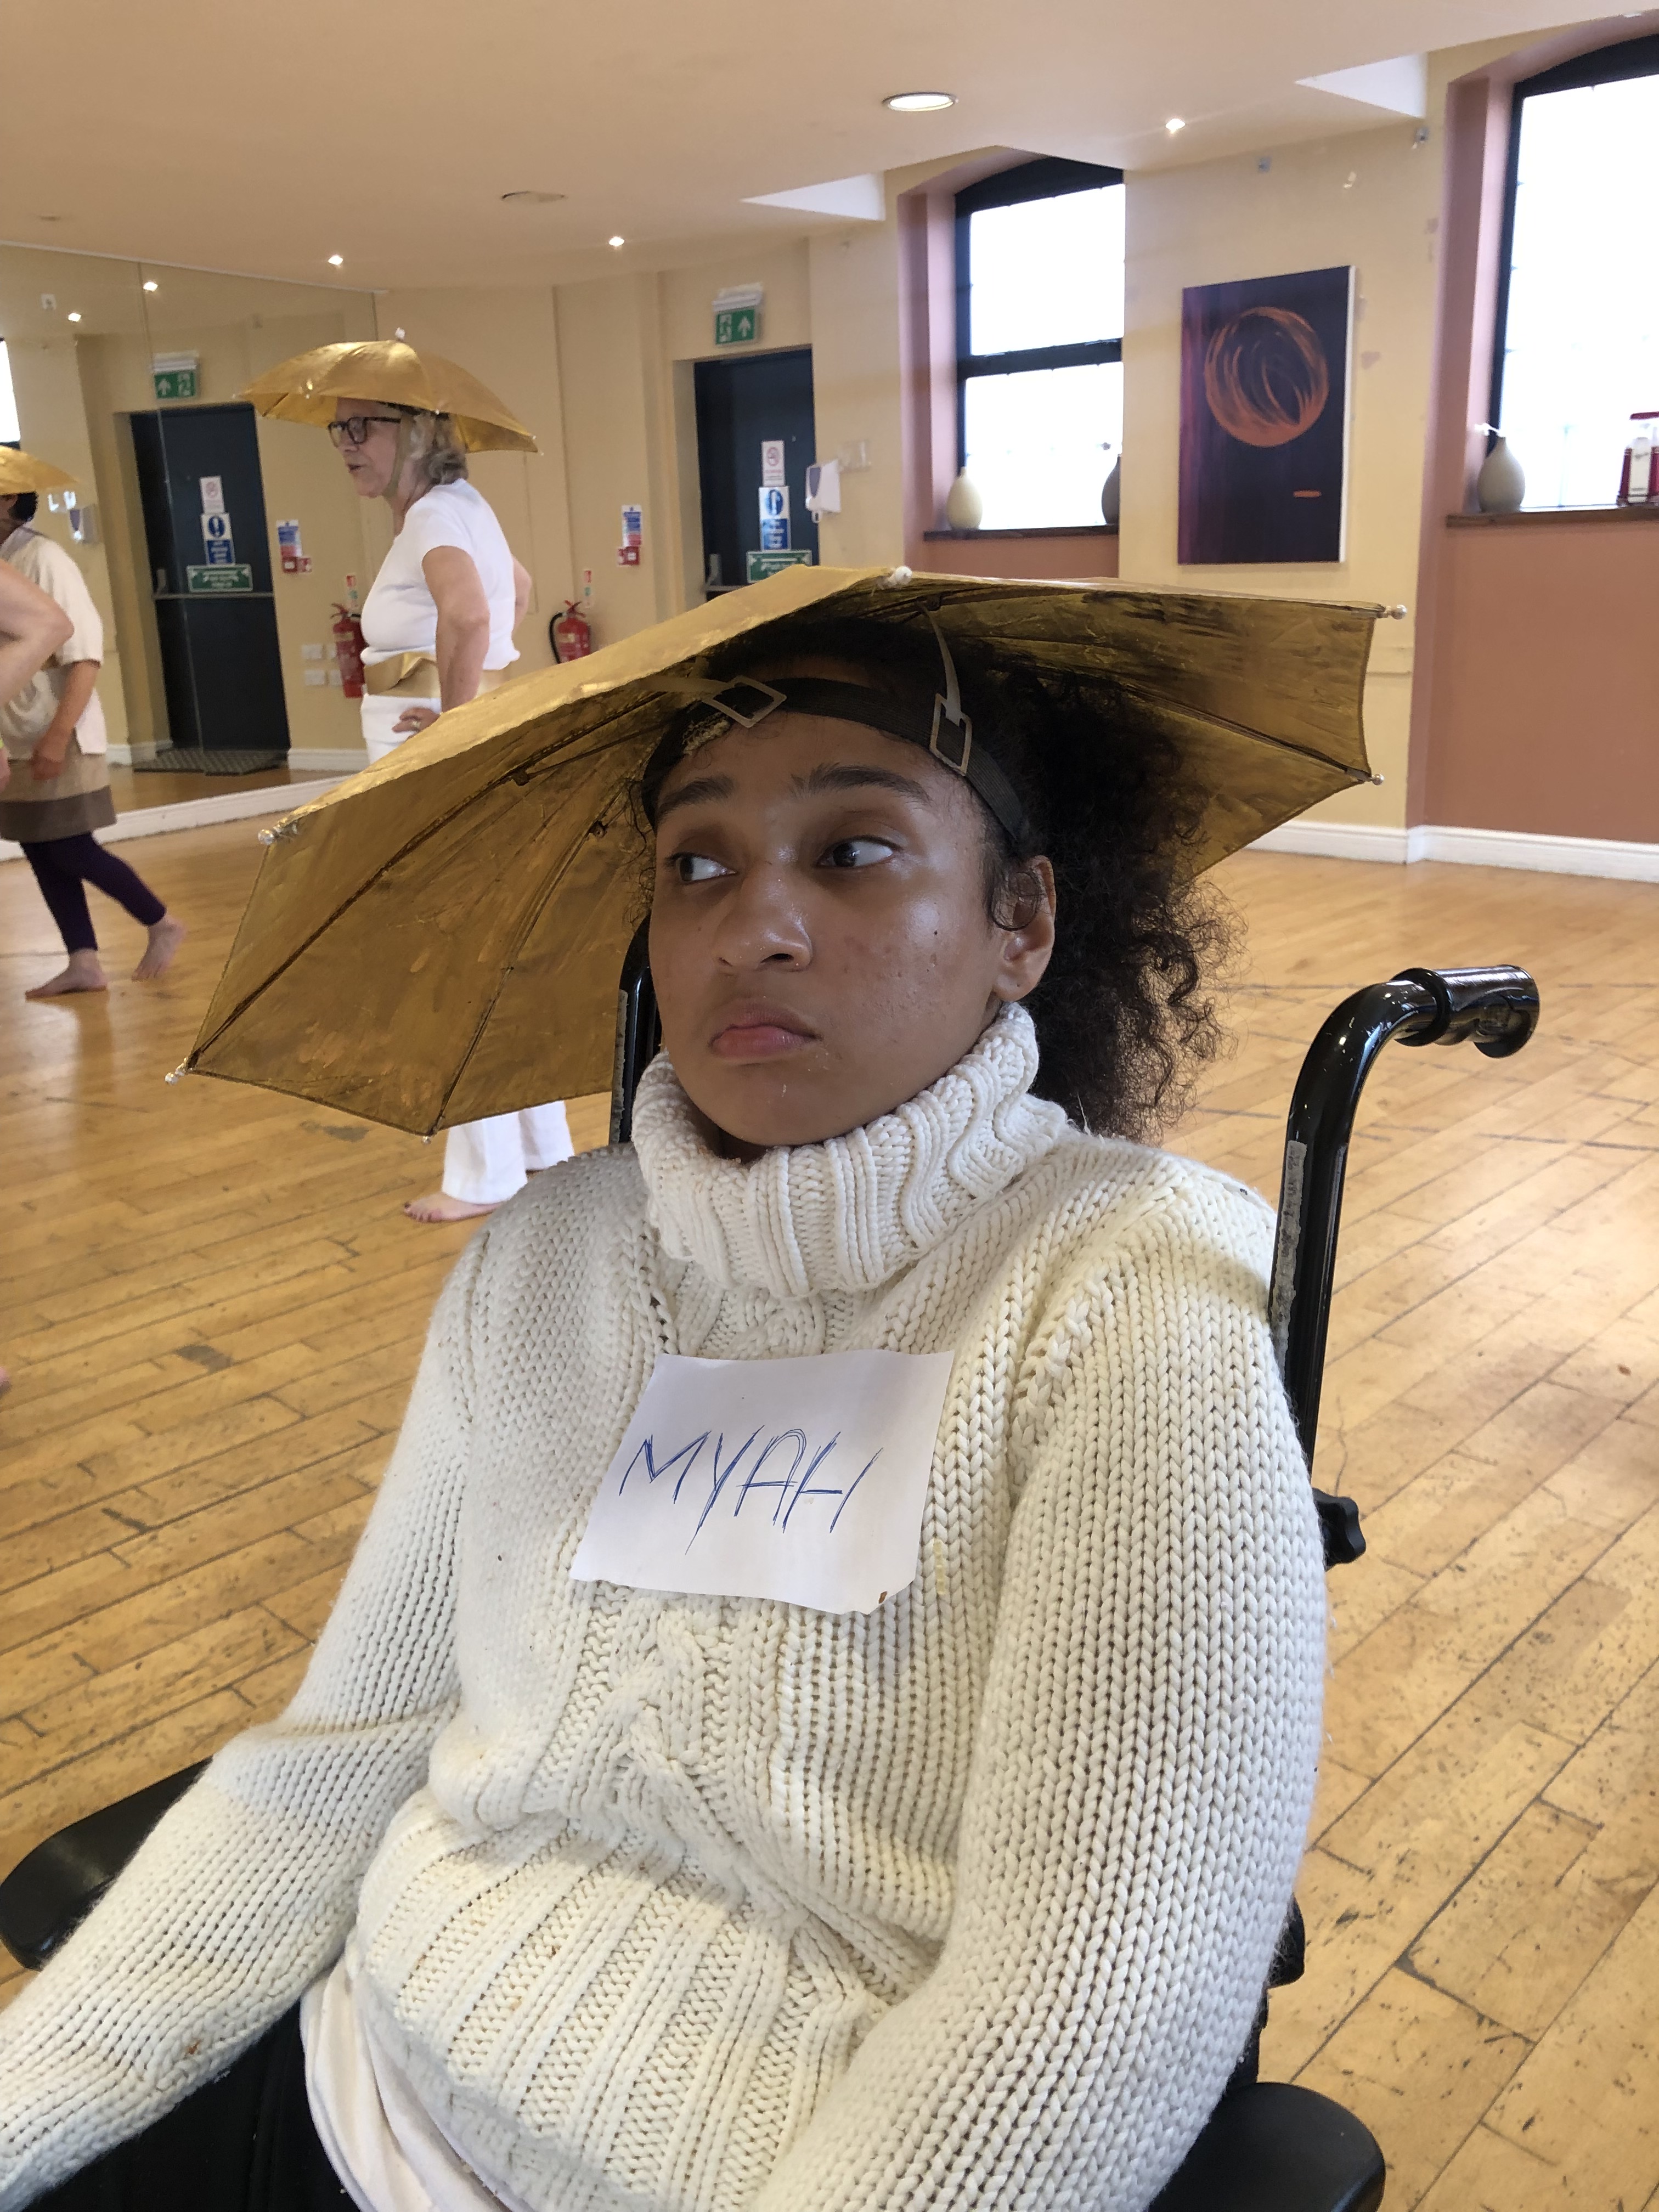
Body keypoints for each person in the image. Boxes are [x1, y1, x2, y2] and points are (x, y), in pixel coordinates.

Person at [0, 612, 1327, 2212]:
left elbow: (1088, 2006)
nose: (752, 926)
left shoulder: (1129, 1300)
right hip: (350, 2087)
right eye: (695, 864)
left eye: (852, 851)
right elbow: (335, 1764)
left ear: (1022, 921)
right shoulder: (544, 1263)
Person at [330, 396, 573, 1226]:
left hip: (433, 758)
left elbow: (471, 612)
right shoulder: (461, 507)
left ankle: (483, 1174)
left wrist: (458, 721)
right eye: (339, 428)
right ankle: (537, 1148)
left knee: (453, 960)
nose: (345, 444)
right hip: (445, 749)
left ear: (418, 431)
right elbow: (517, 589)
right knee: (487, 951)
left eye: (362, 426)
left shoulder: (435, 514)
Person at [0, 464, 186, 999]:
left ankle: (161, 922)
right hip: (18, 734)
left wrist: (59, 736)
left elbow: (84, 654)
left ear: (8, 498)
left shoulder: (43, 558)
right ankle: (83, 960)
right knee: (41, 850)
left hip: (60, 731)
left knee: (71, 847)